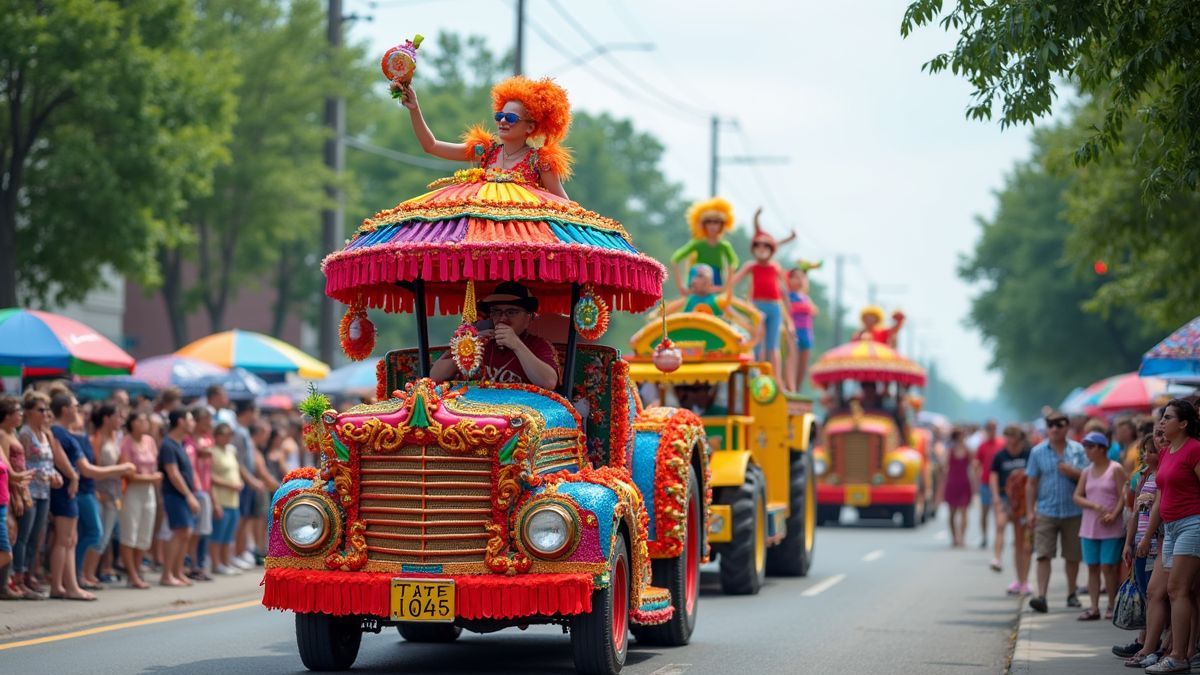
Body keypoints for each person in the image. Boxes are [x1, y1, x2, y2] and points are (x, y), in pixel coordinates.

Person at [398, 75, 572, 199]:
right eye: (499, 116)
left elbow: (564, 205)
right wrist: (414, 109)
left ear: (530, 127)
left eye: (511, 118)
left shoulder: (541, 162)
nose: (503, 121)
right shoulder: (485, 151)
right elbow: (432, 146)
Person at [1143, 399, 1200, 674]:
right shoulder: (1167, 453)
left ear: (1184, 423)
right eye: (1162, 418)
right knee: (1176, 590)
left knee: (1178, 589)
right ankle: (1180, 651)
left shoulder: (1195, 450)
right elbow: (1160, 498)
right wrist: (1148, 535)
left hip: (1193, 524)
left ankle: (1179, 656)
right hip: (1171, 528)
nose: (1162, 422)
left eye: (1168, 417)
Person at [430, 281, 560, 390]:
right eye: (496, 312)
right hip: (473, 410)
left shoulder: (538, 345)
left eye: (511, 312)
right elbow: (435, 375)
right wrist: (470, 347)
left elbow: (548, 382)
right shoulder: (475, 340)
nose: (503, 318)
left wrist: (517, 345)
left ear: (529, 318)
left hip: (517, 414)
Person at [1024, 410, 1087, 614]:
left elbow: (1089, 478)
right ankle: (1041, 596)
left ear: (1067, 427)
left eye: (1058, 425)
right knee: (1043, 554)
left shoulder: (1078, 450)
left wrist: (1073, 472)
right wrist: (1030, 511)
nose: (1054, 428)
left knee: (1072, 556)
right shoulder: (1037, 452)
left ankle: (1071, 594)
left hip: (1073, 510)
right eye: (1050, 425)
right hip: (1046, 510)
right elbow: (1031, 483)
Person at [727, 208, 795, 379]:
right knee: (757, 343)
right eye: (758, 245)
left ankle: (777, 380)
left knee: (773, 346)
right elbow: (732, 282)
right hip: (757, 307)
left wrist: (790, 321)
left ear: (771, 249)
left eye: (766, 246)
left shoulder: (775, 267)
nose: (762, 248)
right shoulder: (751, 266)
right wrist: (726, 296)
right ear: (753, 248)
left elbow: (785, 292)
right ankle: (755, 377)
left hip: (774, 307)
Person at [1117, 434, 1163, 665]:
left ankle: (1153, 645)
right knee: (1146, 595)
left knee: (1154, 596)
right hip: (1141, 546)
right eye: (1144, 451)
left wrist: (1145, 539)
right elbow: (1136, 513)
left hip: (1155, 546)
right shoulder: (1144, 476)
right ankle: (1145, 641)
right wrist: (1129, 542)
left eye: (1151, 451)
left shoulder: (1162, 478)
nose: (1146, 455)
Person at [1072, 430, 1128, 620]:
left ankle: (1112, 605)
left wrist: (1114, 514)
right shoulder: (1087, 471)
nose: (1087, 450)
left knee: (1108, 566)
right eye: (1085, 446)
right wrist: (1093, 505)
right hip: (1089, 527)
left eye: (1090, 446)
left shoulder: (1115, 468)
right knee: (1092, 567)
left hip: (1111, 526)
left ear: (1101, 448)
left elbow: (1124, 495)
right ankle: (1094, 607)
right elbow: (1077, 496)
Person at [15, 391, 60, 597]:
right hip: (30, 489)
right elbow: (20, 462)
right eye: (41, 410)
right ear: (28, 412)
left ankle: (29, 574)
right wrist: (21, 491)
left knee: (37, 536)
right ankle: (19, 577)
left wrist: (55, 474)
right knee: (24, 535)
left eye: (47, 409)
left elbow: (48, 462)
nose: (45, 413)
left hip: (44, 490)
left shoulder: (45, 433)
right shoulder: (25, 434)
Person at [85, 403, 127, 588]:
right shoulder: (97, 439)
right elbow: (94, 466)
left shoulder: (115, 439)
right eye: (117, 416)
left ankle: (92, 573)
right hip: (101, 493)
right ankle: (87, 574)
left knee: (106, 536)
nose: (121, 420)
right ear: (106, 419)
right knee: (98, 536)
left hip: (114, 494)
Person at [118, 411, 161, 589]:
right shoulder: (126, 442)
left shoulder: (149, 441)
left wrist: (152, 479)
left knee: (144, 534)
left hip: (148, 491)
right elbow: (130, 474)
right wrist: (152, 478)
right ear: (133, 423)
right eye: (142, 419)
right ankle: (131, 574)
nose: (146, 422)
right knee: (130, 533)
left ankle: (137, 570)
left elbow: (154, 466)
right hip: (132, 491)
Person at [158, 408, 199, 587]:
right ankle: (167, 575)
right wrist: (189, 496)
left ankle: (177, 572)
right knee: (179, 532)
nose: (193, 423)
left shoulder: (179, 443)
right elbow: (173, 474)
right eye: (190, 419)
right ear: (181, 421)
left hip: (182, 495)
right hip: (174, 494)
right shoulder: (168, 445)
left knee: (185, 533)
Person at [990, 424, 1032, 594]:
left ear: (1018, 438)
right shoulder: (1000, 456)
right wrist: (995, 497)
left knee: (1025, 544)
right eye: (1005, 436)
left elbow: (1035, 477)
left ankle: (1025, 581)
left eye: (1010, 436)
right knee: (1011, 534)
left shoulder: (1029, 454)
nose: (1006, 440)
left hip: (1025, 501)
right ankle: (1015, 575)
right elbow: (993, 476)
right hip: (1007, 499)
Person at [0, 395, 33, 599]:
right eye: (17, 411)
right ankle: (7, 584)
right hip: (5, 502)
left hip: (5, 500)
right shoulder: (3, 436)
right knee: (8, 549)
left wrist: (23, 483)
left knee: (13, 544)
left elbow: (11, 473)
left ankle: (9, 583)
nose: (21, 414)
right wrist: (17, 497)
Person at [671, 197, 738, 292]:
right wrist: (681, 287)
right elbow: (675, 259)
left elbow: (733, 263)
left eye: (716, 222)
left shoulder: (724, 246)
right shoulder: (698, 244)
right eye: (708, 222)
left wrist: (727, 286)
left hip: (716, 282)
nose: (712, 226)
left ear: (722, 224)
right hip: (697, 283)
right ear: (703, 224)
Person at [208, 423, 243, 575]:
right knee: (218, 534)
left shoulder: (230, 451)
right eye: (225, 434)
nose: (229, 437)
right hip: (220, 497)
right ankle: (216, 563)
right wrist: (229, 484)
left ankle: (225, 561)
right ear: (217, 436)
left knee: (228, 534)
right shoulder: (212, 452)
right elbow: (209, 476)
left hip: (233, 499)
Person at [186, 407, 216, 582]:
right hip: (194, 490)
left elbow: (209, 469)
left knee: (204, 530)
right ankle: (192, 564)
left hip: (204, 489)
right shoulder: (189, 440)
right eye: (206, 420)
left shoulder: (207, 439)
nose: (209, 424)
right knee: (193, 531)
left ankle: (199, 564)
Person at [784, 264, 819, 392]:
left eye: (802, 277)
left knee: (803, 366)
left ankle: (797, 389)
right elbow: (788, 310)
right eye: (795, 277)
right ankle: (790, 388)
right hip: (793, 332)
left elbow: (814, 311)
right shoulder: (787, 296)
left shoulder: (806, 297)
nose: (799, 280)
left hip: (807, 333)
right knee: (793, 362)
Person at [941, 428, 975, 547]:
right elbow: (944, 466)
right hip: (952, 482)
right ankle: (954, 538)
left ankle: (962, 538)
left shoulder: (968, 450)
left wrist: (974, 485)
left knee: (964, 511)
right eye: (960, 436)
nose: (962, 438)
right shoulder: (949, 451)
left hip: (964, 482)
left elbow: (974, 467)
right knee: (952, 512)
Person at [975, 420, 1004, 555]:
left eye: (994, 428)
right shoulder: (982, 446)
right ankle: (985, 537)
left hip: (999, 484)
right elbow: (977, 463)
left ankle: (998, 537)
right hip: (985, 483)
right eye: (989, 429)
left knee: (998, 512)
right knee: (984, 512)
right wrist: (976, 480)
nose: (992, 431)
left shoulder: (1001, 444)